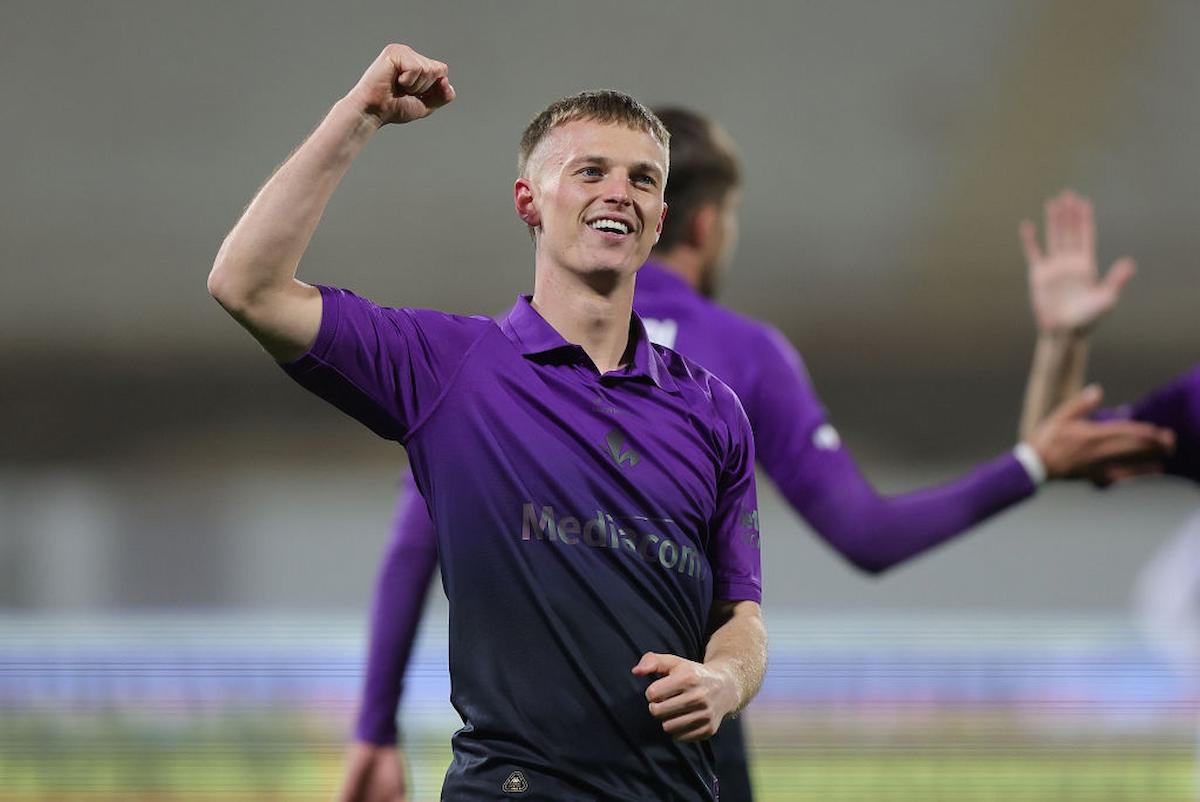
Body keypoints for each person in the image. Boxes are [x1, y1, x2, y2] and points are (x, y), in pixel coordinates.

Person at [337, 109, 1177, 801]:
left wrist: (374, 727)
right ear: (708, 225)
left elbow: (418, 541)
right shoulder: (738, 361)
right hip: (687, 730)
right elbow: (868, 535)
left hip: (523, 758)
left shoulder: (509, 361)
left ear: (660, 212)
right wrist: (1029, 463)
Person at [208, 44, 769, 801]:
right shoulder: (447, 368)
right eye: (590, 171)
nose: (620, 192)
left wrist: (726, 679)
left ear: (661, 219)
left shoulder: (713, 410)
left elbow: (740, 613)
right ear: (528, 201)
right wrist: (359, 115)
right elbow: (246, 285)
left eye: (644, 179)